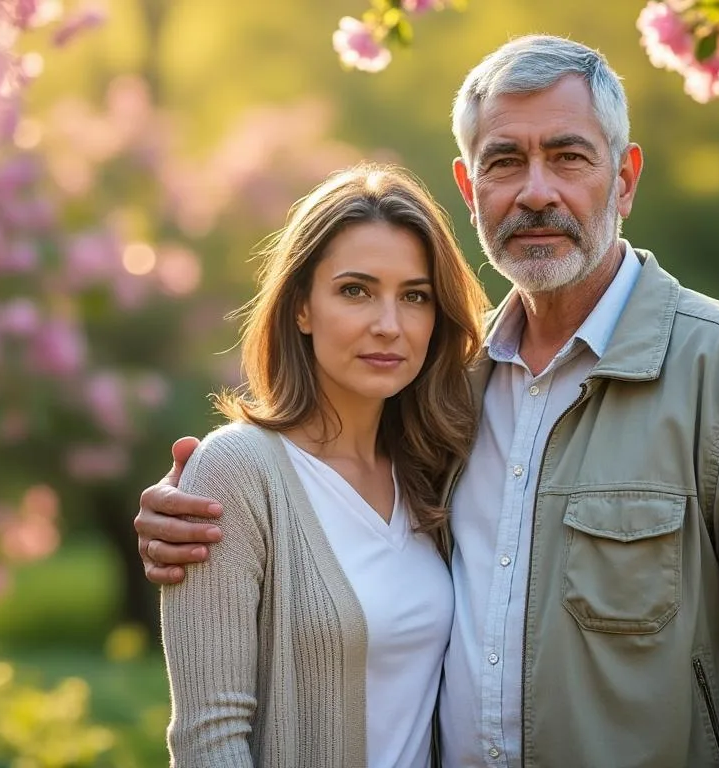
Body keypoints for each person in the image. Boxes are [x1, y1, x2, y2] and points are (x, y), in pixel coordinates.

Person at [138, 35, 719, 767]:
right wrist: (192, 510)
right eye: (504, 161)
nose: (535, 191)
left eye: (567, 156)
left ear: (623, 179)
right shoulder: (445, 394)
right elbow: (309, 494)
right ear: (469, 189)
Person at [159, 162, 490, 767]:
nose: (388, 326)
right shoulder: (238, 471)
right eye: (355, 291)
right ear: (302, 308)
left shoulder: (437, 471)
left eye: (414, 297)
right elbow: (208, 739)